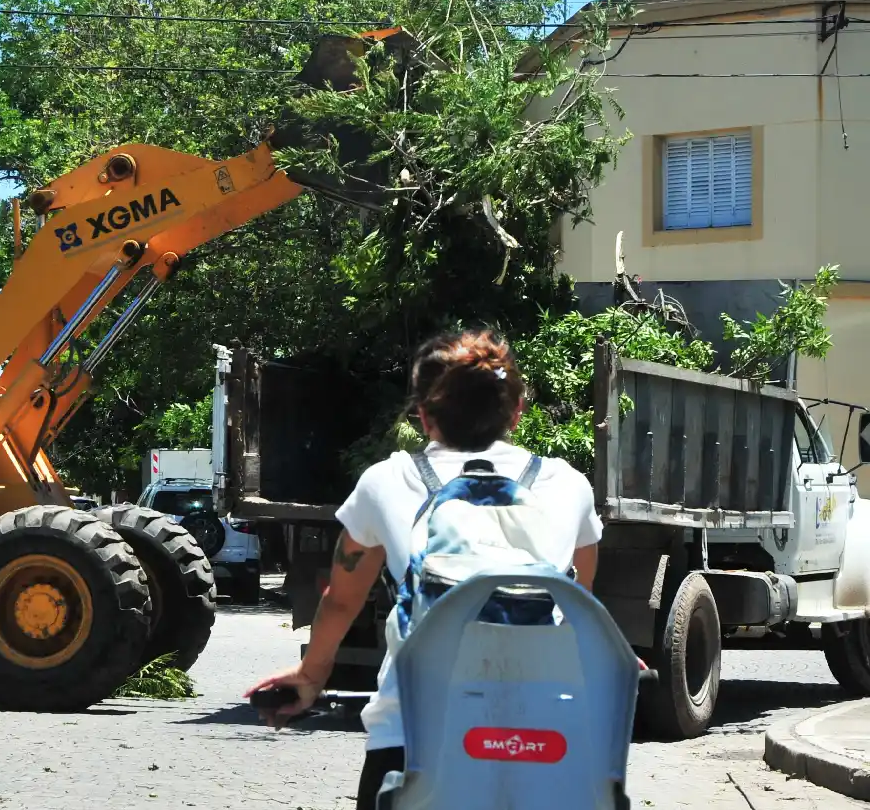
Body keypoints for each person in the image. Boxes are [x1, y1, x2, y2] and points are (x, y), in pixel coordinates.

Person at [245, 327, 603, 810]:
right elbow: (581, 601)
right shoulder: (567, 485)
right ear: (516, 411)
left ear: (424, 416)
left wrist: (311, 676)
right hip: (539, 740)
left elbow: (343, 598)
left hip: (412, 736)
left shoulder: (387, 481)